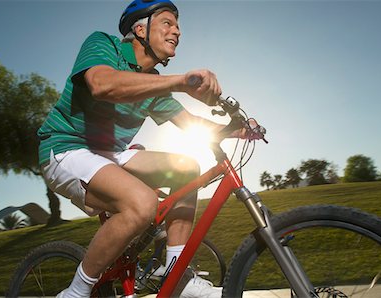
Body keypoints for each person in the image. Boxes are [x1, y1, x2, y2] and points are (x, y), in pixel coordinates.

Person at [38, 0, 256, 297]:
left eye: (178, 26)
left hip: (110, 155)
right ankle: (75, 292)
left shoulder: (153, 84)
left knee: (186, 168)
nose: (177, 31)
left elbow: (191, 122)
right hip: (66, 147)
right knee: (141, 204)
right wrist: (180, 82)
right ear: (140, 28)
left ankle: (177, 275)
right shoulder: (105, 44)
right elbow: (102, 84)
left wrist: (235, 130)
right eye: (167, 22)